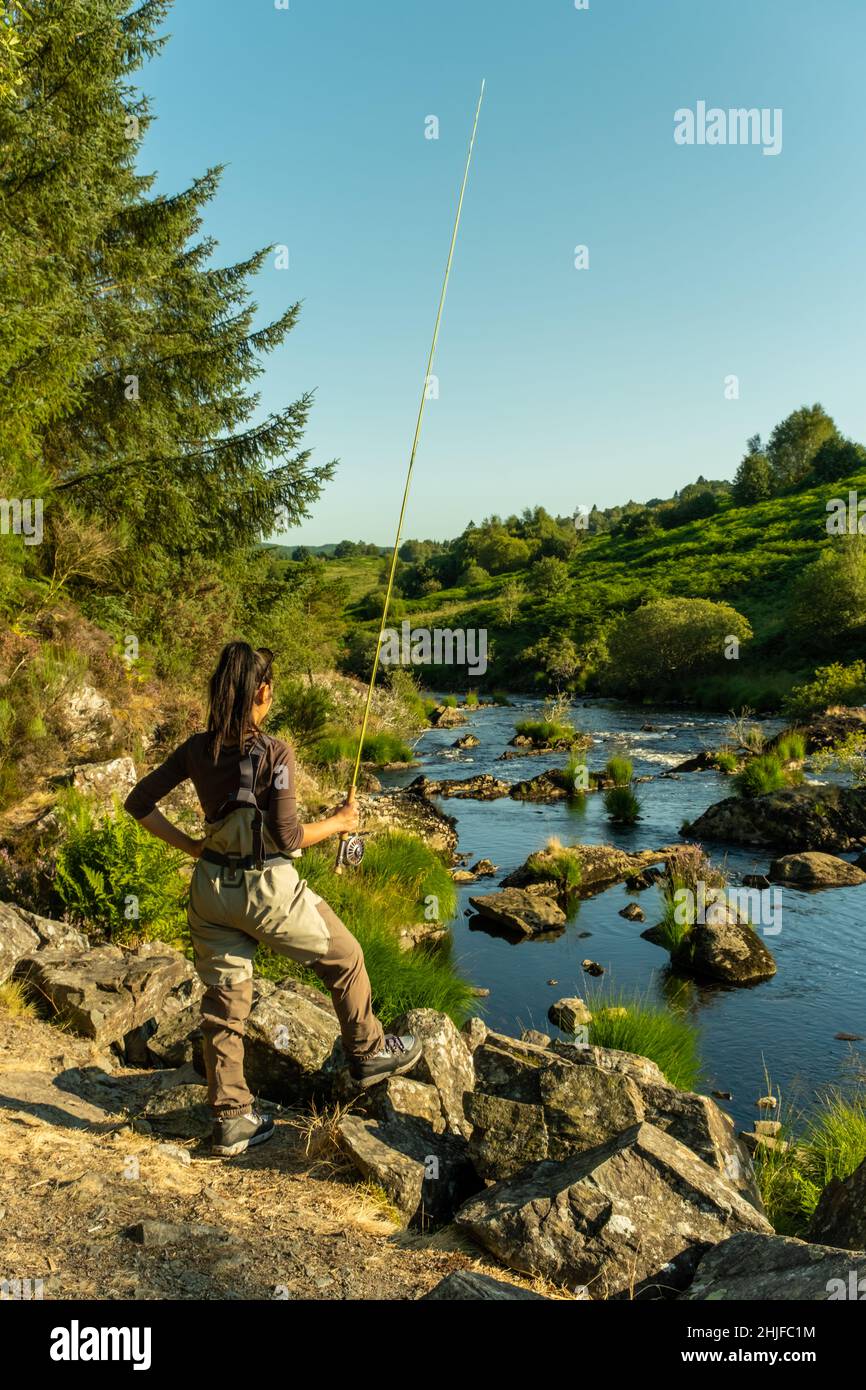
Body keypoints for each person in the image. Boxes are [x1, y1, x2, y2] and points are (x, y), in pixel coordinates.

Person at [124, 641, 421, 1156]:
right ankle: (368, 1051)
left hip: (211, 891)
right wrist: (340, 823)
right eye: (270, 686)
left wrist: (193, 845)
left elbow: (138, 802)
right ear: (261, 691)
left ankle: (232, 1118)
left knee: (224, 1006)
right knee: (347, 958)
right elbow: (286, 838)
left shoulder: (196, 748)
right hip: (267, 891)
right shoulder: (276, 753)